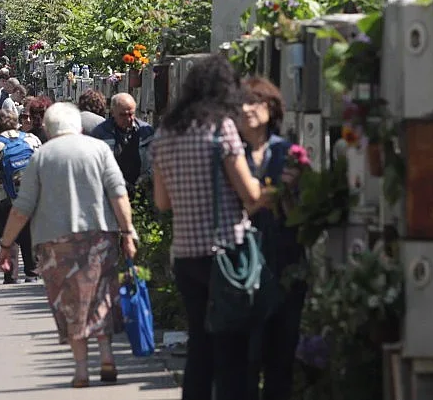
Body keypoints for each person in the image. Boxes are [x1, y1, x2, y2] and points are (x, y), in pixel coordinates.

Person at [0, 103, 137, 388]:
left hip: (54, 243)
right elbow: (118, 193)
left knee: (71, 302)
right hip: (99, 236)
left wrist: (7, 243)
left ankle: (82, 369)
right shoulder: (99, 149)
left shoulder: (42, 156)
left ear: (48, 129)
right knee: (101, 295)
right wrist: (128, 232)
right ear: (79, 127)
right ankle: (107, 356)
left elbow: (23, 207)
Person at [150, 54, 262, 400]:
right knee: (233, 347)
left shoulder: (166, 133)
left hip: (186, 255)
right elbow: (250, 193)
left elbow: (162, 202)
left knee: (200, 340)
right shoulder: (221, 128)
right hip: (225, 252)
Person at [238, 77, 308, 400]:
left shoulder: (287, 151)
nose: (247, 109)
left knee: (282, 351)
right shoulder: (231, 154)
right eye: (242, 102)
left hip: (285, 258)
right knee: (246, 355)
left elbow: (302, 210)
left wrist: (293, 191)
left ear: (271, 108)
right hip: (243, 263)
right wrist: (270, 194)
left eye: (256, 102)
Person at [0, 110, 41, 284]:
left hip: (2, 199)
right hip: (30, 196)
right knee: (29, 234)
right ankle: (32, 272)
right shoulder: (31, 140)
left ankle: (10, 274)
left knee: (8, 235)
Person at [91, 93, 155, 196]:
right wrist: (120, 182)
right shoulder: (101, 133)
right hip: (111, 193)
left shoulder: (146, 132)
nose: (128, 119)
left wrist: (142, 181)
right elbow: (96, 165)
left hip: (142, 191)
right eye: (123, 115)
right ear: (113, 112)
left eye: (131, 114)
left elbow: (155, 162)